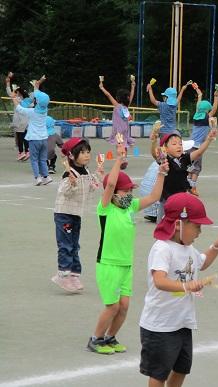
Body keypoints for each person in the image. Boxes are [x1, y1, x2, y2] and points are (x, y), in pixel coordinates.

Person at [139, 193, 218, 387]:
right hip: (160, 325)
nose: (199, 231)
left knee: (182, 368)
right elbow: (159, 280)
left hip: (182, 322)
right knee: (159, 374)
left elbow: (203, 263)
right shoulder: (162, 248)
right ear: (177, 225)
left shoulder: (188, 248)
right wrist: (186, 285)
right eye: (197, 226)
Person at [87, 143, 169, 355]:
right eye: (126, 190)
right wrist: (119, 160)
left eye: (131, 190)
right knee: (112, 306)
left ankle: (110, 337)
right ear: (114, 193)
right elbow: (110, 183)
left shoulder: (130, 207)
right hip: (109, 264)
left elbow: (152, 198)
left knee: (124, 306)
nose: (129, 194)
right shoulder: (105, 209)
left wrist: (161, 173)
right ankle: (95, 339)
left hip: (126, 265)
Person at [52, 138, 103, 292]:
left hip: (76, 214)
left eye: (88, 152)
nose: (87, 155)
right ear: (72, 156)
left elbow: (92, 187)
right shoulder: (69, 173)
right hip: (64, 214)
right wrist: (71, 183)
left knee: (75, 245)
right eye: (82, 152)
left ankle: (73, 274)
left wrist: (98, 175)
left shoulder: (85, 171)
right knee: (66, 245)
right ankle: (62, 274)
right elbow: (63, 192)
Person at [150, 128, 217, 221]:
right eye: (174, 144)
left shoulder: (184, 158)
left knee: (180, 225)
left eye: (180, 144)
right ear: (165, 148)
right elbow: (155, 153)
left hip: (181, 199)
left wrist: (209, 139)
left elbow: (199, 152)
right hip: (167, 200)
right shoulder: (165, 160)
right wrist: (154, 141)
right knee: (164, 225)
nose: (178, 146)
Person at [11, 77, 51, 185]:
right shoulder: (45, 110)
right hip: (44, 138)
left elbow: (19, 109)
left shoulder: (33, 112)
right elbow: (38, 96)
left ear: (37, 101)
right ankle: (46, 177)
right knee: (42, 159)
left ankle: (37, 178)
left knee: (34, 159)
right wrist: (36, 86)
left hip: (34, 138)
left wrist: (14, 98)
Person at [187, 85, 218, 196]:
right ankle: (193, 186)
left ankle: (188, 185)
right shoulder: (206, 117)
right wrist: (216, 97)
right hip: (197, 146)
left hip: (189, 145)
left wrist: (198, 91)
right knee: (196, 168)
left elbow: (198, 104)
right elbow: (214, 109)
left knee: (189, 166)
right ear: (206, 110)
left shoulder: (196, 115)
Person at [99, 77, 135, 153]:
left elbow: (108, 95)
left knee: (119, 146)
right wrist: (133, 87)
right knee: (124, 145)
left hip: (118, 131)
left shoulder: (117, 106)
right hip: (125, 130)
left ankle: (122, 160)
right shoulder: (126, 107)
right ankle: (123, 159)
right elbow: (131, 96)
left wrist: (102, 88)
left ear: (119, 98)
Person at [5, 75, 30, 160]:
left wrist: (8, 83)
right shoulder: (27, 100)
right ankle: (27, 152)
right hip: (26, 120)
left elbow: (10, 93)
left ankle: (21, 153)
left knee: (19, 137)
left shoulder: (16, 98)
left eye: (15, 91)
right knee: (26, 136)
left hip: (19, 121)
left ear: (18, 93)